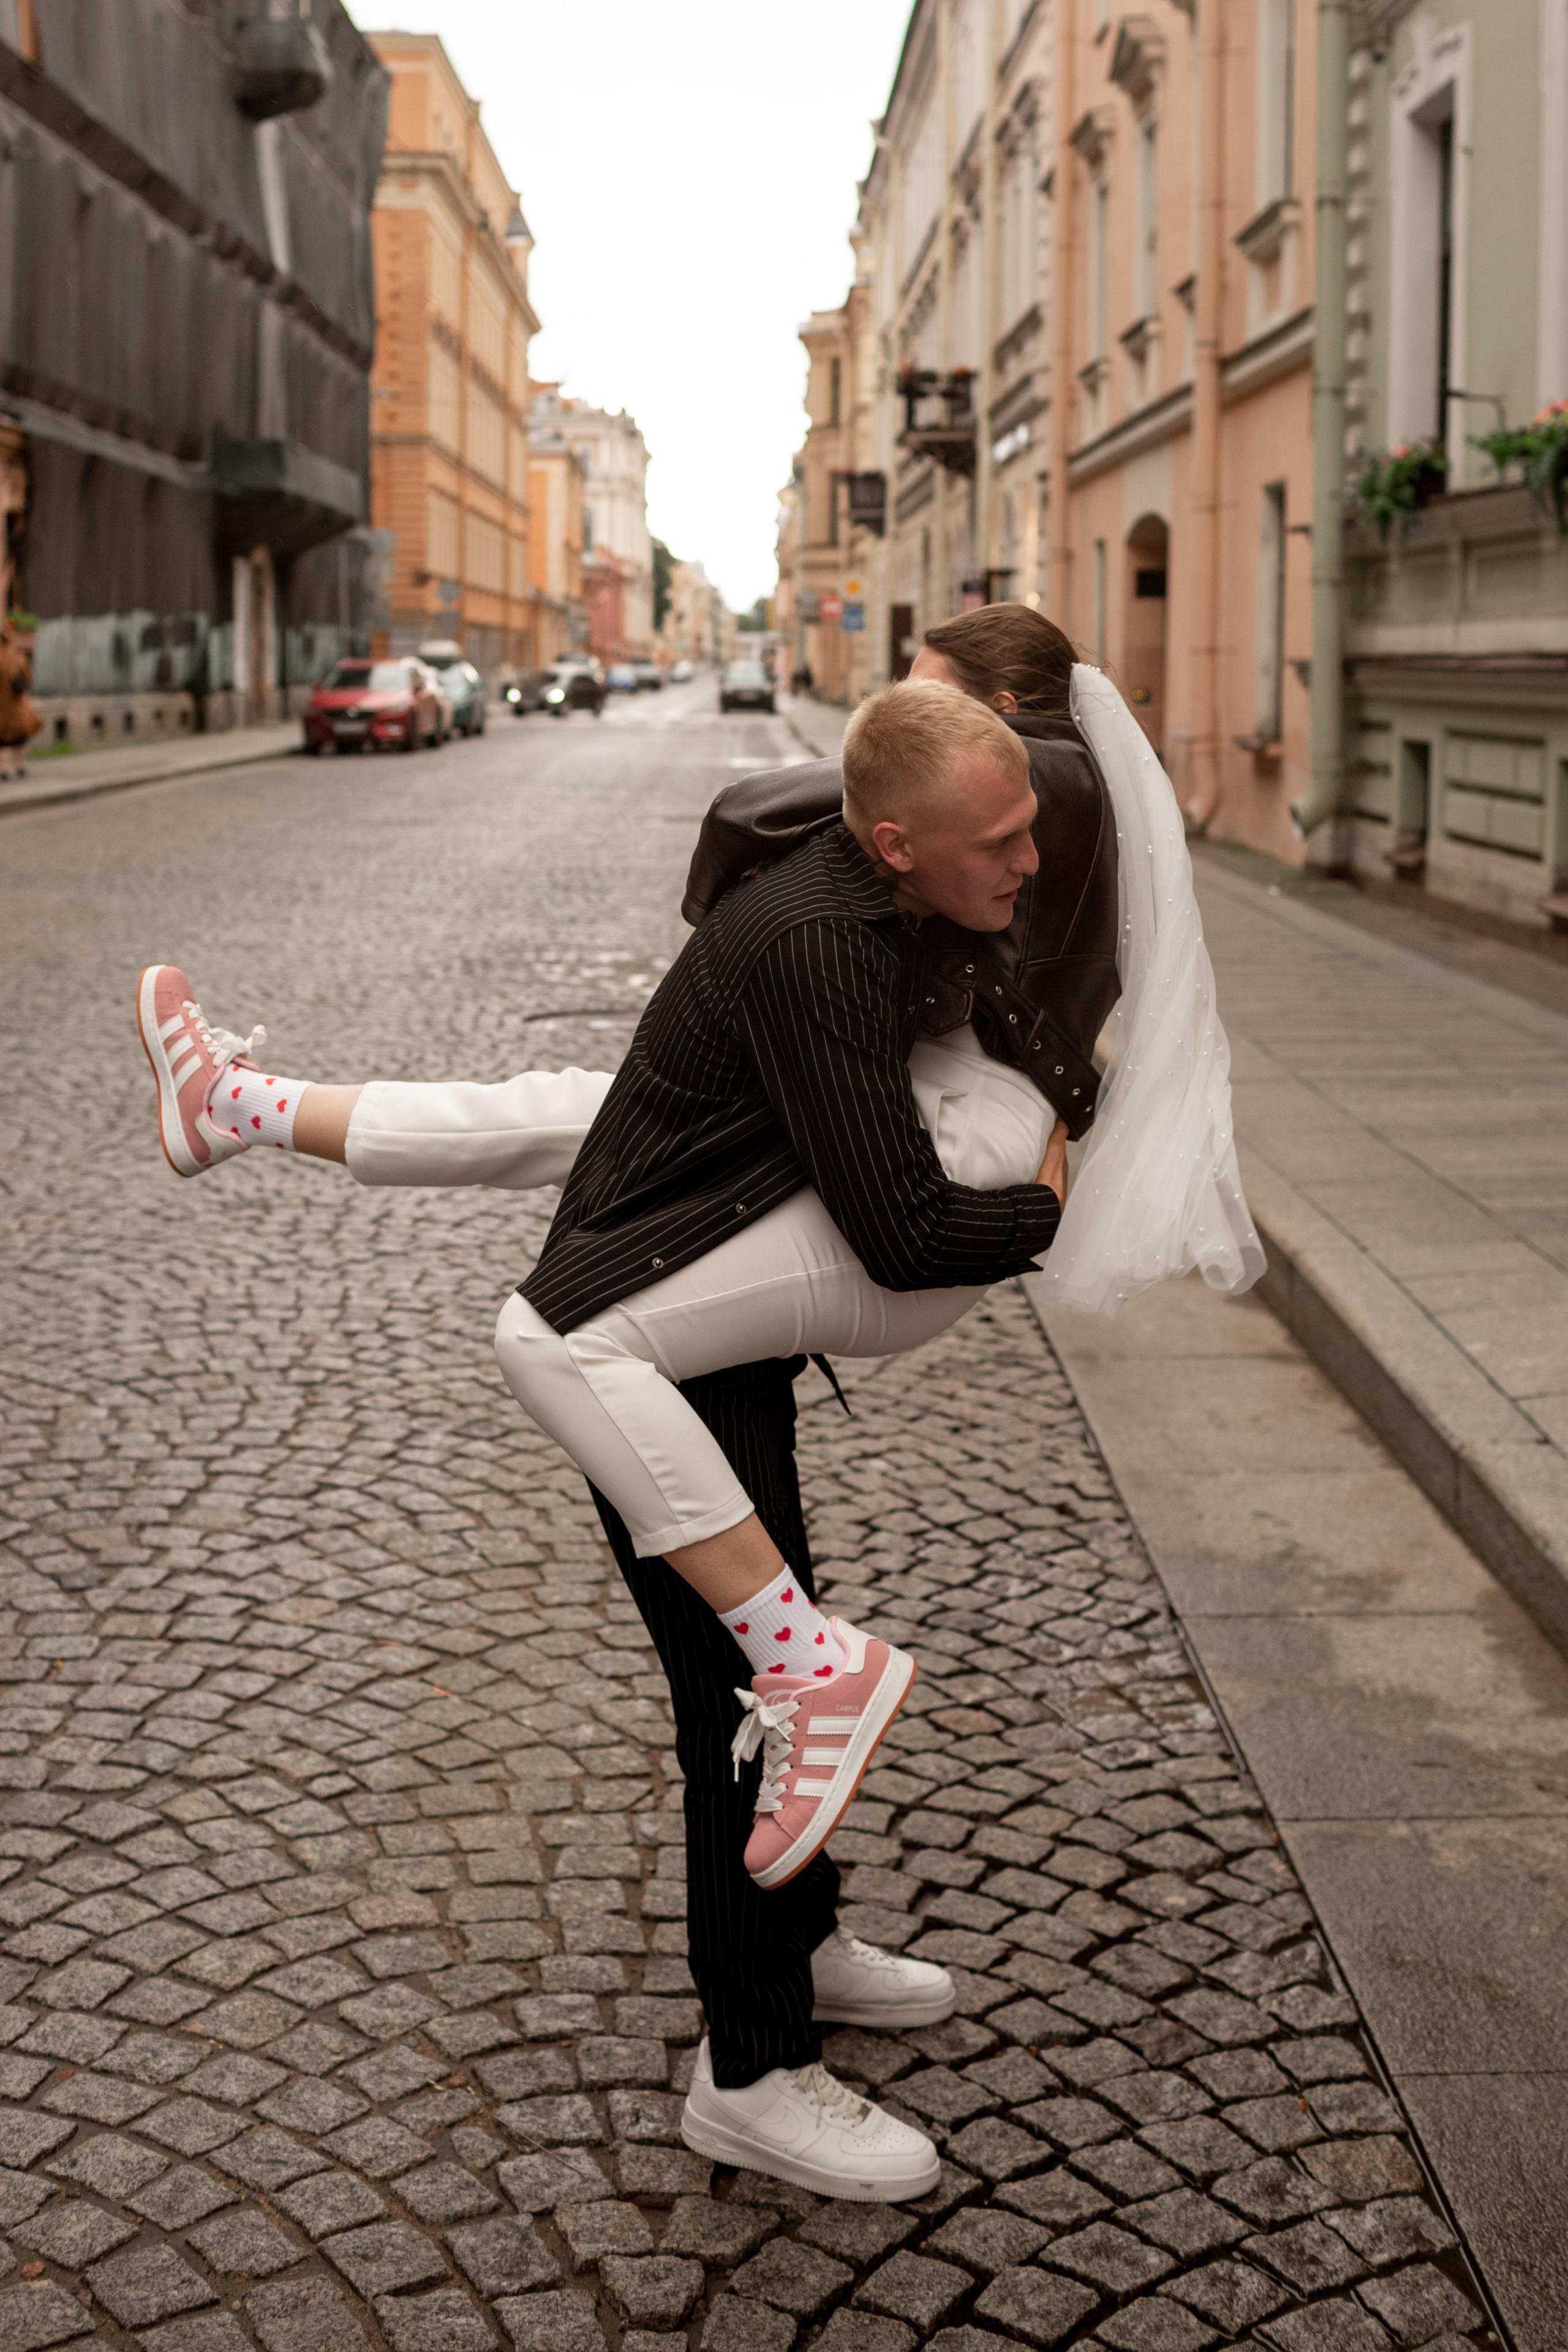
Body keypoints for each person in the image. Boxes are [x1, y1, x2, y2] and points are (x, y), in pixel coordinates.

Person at [137, 611, 1260, 2196]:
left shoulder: (977, 852)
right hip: (669, 1326)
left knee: (584, 1157)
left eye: (919, 704)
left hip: (726, 1294)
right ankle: (755, 2063)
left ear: (1021, 751)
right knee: (741, 1677)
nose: (861, 721)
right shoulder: (866, 904)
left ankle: (793, 1955)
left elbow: (959, 915)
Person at [0, 620, 41, 783]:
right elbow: (27, 679)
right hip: (15, 705)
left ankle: (3, 769)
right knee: (18, 738)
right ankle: (20, 766)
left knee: (2, 741)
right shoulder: (18, 658)